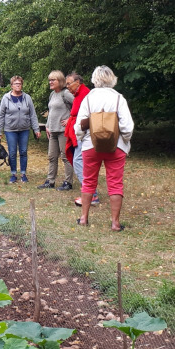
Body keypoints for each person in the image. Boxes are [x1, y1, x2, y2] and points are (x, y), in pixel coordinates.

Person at [75, 66, 134, 231]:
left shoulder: (88, 98)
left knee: (88, 181)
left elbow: (79, 126)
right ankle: (115, 223)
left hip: (90, 146)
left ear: (95, 79)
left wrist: (84, 139)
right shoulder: (118, 99)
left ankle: (84, 218)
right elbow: (127, 127)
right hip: (116, 146)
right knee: (115, 183)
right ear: (112, 79)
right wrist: (123, 141)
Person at [63, 73, 99, 207]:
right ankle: (90, 192)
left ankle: (92, 194)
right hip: (79, 132)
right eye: (66, 84)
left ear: (78, 82)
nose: (68, 87)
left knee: (78, 160)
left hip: (84, 134)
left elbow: (87, 116)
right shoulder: (78, 94)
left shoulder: (86, 94)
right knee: (80, 160)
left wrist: (80, 131)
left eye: (69, 83)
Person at [0, 76, 41, 183]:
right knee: (12, 152)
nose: (18, 85)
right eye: (15, 84)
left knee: (23, 151)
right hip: (10, 129)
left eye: (19, 84)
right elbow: (1, 115)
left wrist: (36, 129)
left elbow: (32, 114)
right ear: (11, 86)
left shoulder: (27, 98)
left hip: (24, 129)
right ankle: (13, 174)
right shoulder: (6, 98)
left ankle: (23, 174)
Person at [37, 71, 74, 189]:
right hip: (52, 130)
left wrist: (70, 119)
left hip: (64, 131)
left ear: (60, 81)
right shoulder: (52, 94)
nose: (50, 82)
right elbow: (51, 112)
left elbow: (79, 106)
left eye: (53, 80)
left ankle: (68, 182)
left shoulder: (66, 93)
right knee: (52, 156)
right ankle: (50, 181)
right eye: (49, 80)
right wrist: (47, 125)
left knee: (66, 156)